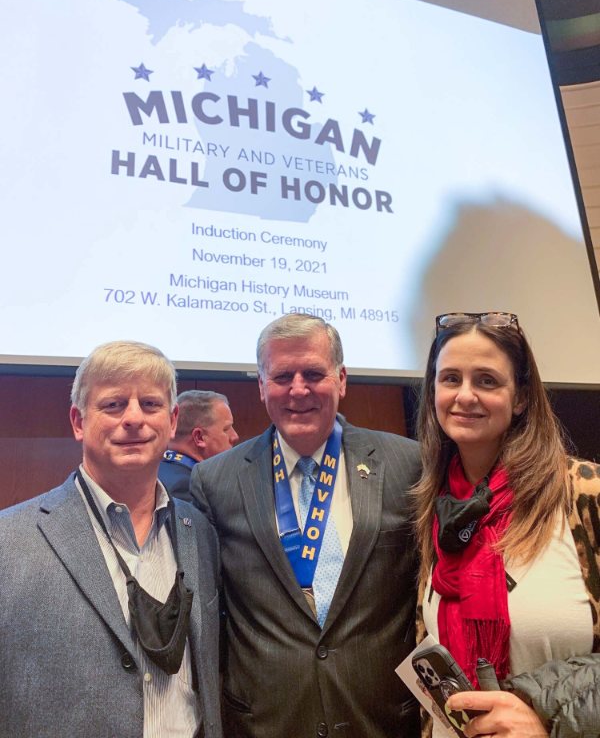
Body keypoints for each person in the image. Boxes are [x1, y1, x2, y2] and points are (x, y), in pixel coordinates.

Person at [191, 313, 422, 738]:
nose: (298, 389)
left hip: (382, 718)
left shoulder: (407, 464)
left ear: (342, 379)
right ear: (262, 386)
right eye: (282, 376)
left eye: (314, 373)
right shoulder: (215, 481)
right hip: (268, 721)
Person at [0, 340, 223, 738]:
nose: (134, 418)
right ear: (78, 421)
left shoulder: (200, 532)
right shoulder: (10, 539)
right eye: (113, 405)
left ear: (172, 422)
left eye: (150, 405)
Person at [414, 312, 600, 737]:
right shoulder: (435, 508)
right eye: (450, 379)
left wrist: (547, 721)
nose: (465, 395)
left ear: (520, 398)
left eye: (486, 380)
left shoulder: (583, 495)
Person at [159, 390, 238, 501]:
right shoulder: (187, 487)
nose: (235, 436)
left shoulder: (155, 472)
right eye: (226, 429)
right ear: (199, 437)